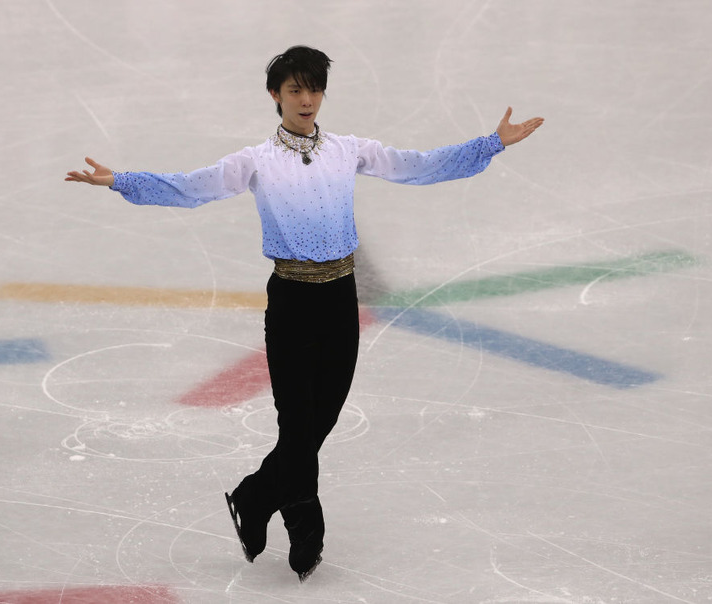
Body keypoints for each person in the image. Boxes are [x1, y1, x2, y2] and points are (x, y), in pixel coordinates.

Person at [66, 45, 543, 581]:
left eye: (314, 88)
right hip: (291, 302)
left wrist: (491, 144)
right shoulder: (255, 162)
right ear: (276, 96)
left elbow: (419, 167)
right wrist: (122, 181)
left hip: (341, 299)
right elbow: (190, 187)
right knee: (297, 426)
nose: (307, 99)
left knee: (321, 420)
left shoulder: (348, 150)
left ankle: (253, 495)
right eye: (295, 89)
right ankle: (305, 535)